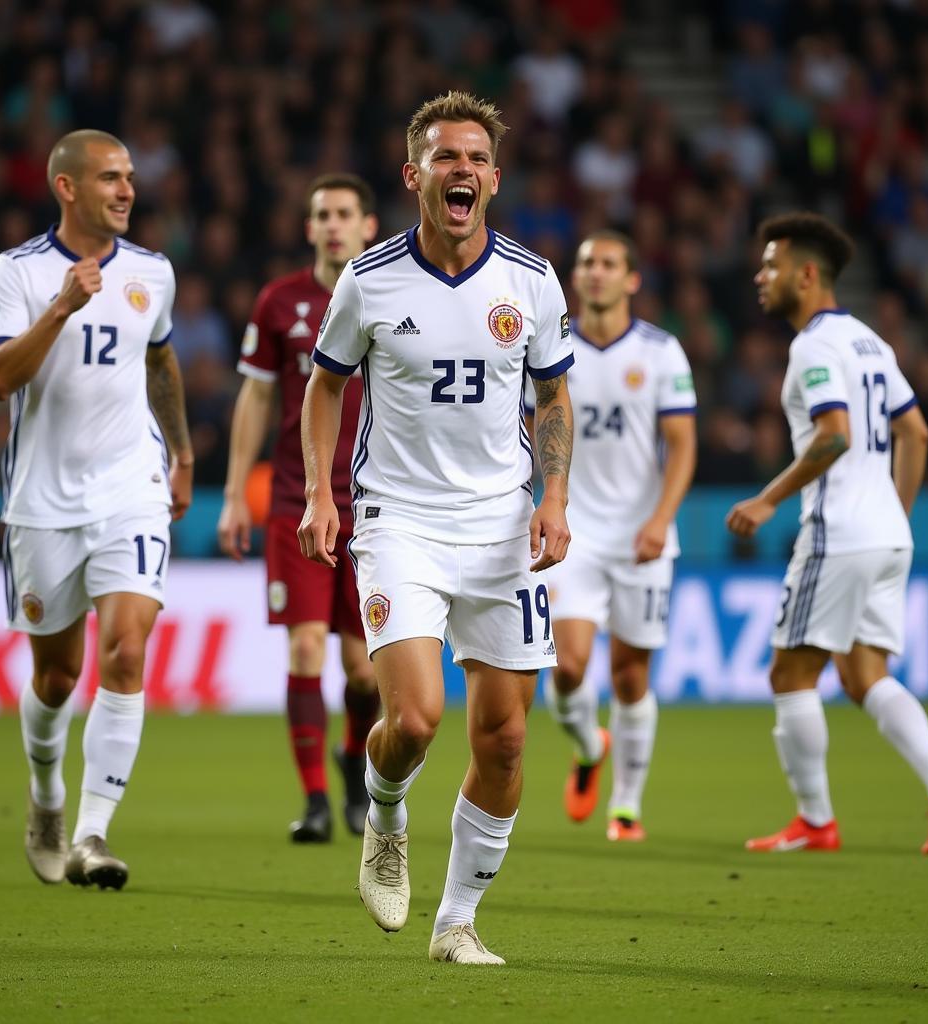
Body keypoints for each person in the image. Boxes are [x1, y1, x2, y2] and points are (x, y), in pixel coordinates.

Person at [297, 91, 574, 964]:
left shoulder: (529, 278)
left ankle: (456, 923)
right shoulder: (369, 277)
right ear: (415, 175)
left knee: (505, 736)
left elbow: (555, 395)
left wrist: (553, 497)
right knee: (414, 718)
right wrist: (319, 492)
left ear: (493, 176)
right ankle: (384, 815)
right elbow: (324, 386)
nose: (463, 170)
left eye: (476, 158)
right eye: (445, 157)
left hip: (500, 527)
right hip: (399, 521)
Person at [0, 129, 194, 889]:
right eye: (110, 178)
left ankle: (94, 835)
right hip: (43, 501)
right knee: (58, 677)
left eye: (130, 176)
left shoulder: (153, 273)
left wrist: (184, 451)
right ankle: (46, 798)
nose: (127, 190)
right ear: (67, 188)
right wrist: (62, 308)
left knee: (128, 653)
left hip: (130, 488)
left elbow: (160, 360)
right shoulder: (20, 272)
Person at [727, 211, 928, 854]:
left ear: (806, 274)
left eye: (771, 265)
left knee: (789, 675)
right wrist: (894, 514)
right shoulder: (870, 342)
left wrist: (769, 499)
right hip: (886, 532)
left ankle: (816, 821)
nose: (759, 275)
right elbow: (918, 433)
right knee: (863, 676)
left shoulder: (814, 346)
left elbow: (833, 436)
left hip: (839, 531)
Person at [217, 174, 380, 843]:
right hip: (296, 502)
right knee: (307, 648)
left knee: (365, 669)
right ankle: (315, 799)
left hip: (375, 506)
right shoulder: (278, 302)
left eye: (345, 214)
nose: (334, 224)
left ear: (368, 226)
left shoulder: (390, 296)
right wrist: (234, 493)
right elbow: (256, 398)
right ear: (308, 227)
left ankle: (350, 761)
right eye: (323, 215)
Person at [532, 231, 696, 841]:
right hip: (572, 528)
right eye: (586, 263)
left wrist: (659, 519)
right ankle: (588, 745)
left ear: (631, 279)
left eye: (608, 264)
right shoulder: (553, 347)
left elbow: (682, 446)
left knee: (630, 677)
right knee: (569, 667)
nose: (594, 273)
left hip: (641, 537)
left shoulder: (660, 351)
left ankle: (626, 807)